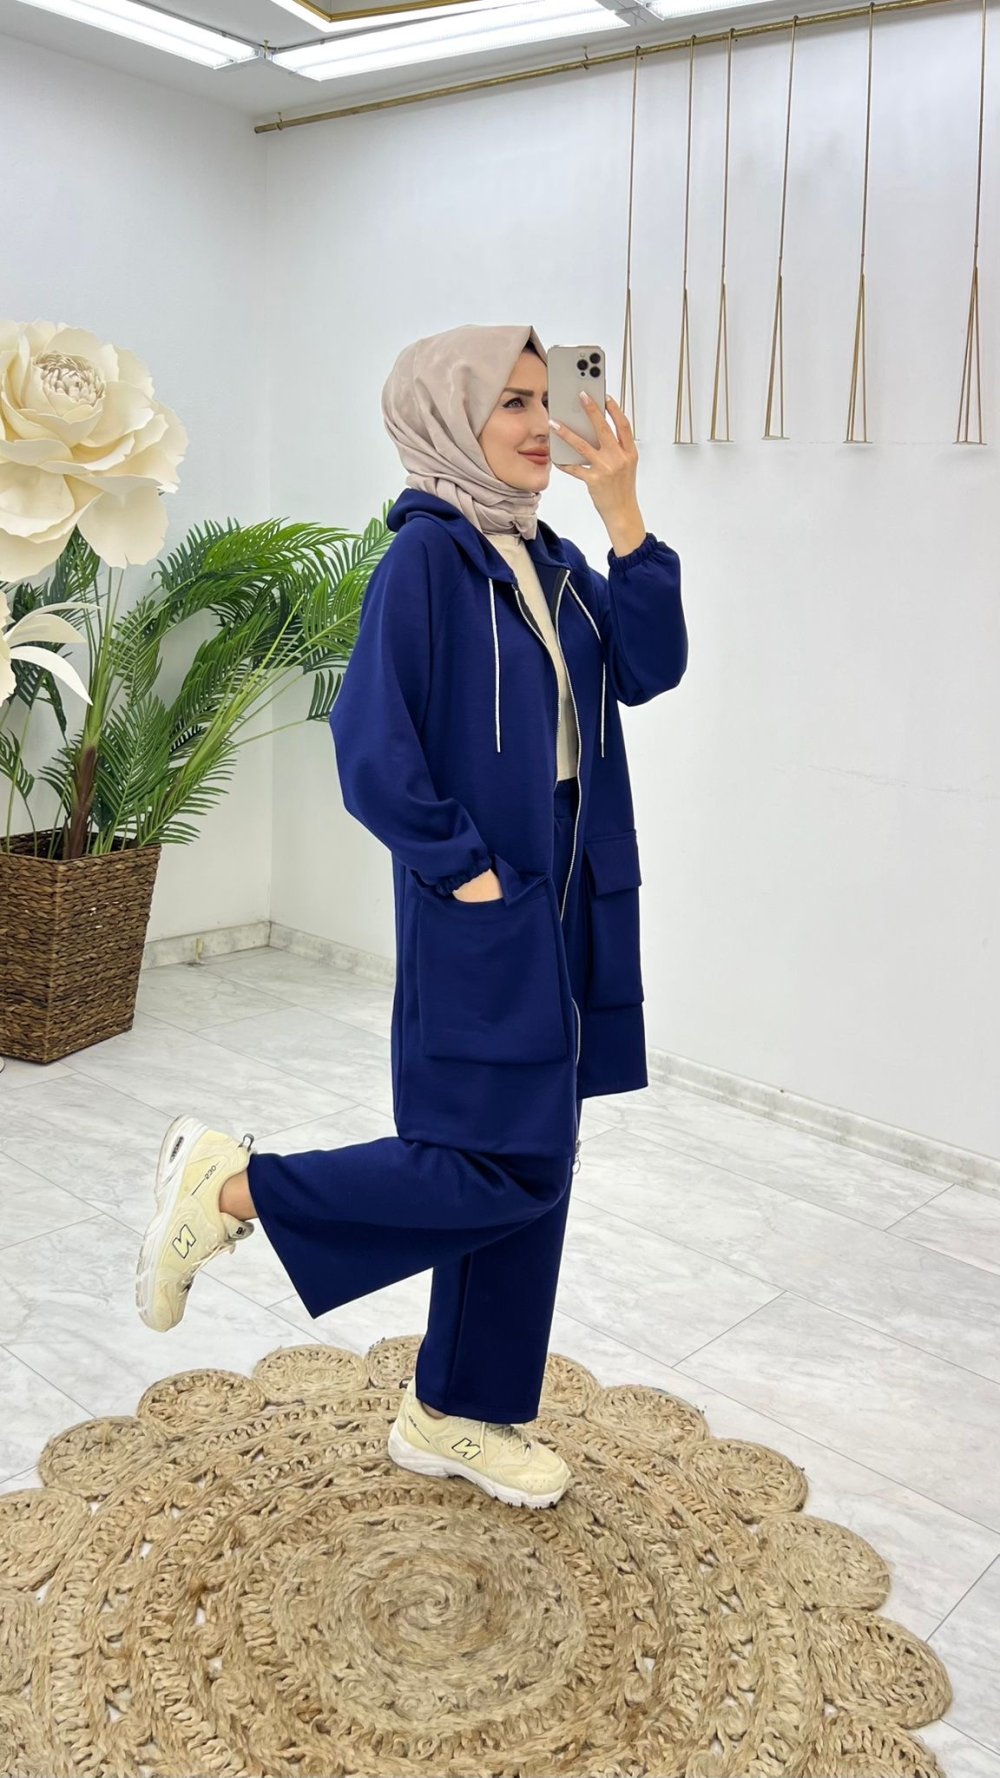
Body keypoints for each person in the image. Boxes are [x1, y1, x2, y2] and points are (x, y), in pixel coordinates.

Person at [134, 324, 687, 1511]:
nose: (539, 423)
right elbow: (371, 745)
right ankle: (234, 1189)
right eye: (511, 402)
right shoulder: (427, 560)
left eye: (544, 398)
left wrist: (624, 512)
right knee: (502, 1163)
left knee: (533, 1156)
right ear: (448, 418)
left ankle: (454, 1411)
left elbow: (650, 667)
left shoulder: (550, 556)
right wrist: (466, 873)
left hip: (572, 895)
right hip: (485, 901)